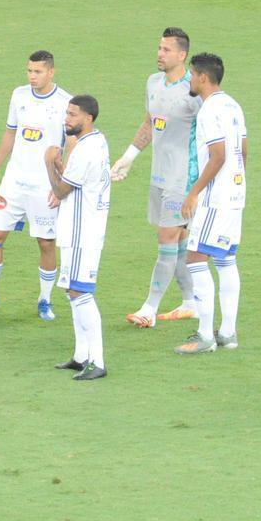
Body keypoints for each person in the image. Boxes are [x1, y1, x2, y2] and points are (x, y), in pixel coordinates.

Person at [0, 51, 72, 321]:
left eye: (37, 71)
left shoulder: (65, 102)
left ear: (51, 72)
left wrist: (60, 186)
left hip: (44, 185)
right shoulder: (19, 95)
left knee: (46, 243)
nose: (32, 76)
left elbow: (70, 145)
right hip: (13, 182)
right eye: (29, 71)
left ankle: (45, 301)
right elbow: (10, 132)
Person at [111, 27, 200, 327]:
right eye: (159, 48)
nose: (159, 54)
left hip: (183, 179)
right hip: (159, 176)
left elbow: (213, 134)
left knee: (167, 239)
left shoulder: (195, 90)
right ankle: (191, 301)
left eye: (165, 49)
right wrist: (128, 158)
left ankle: (149, 309)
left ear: (181, 55)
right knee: (179, 243)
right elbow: (150, 123)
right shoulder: (153, 82)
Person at [175, 53, 247, 355]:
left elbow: (218, 155)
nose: (190, 79)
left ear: (203, 77)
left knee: (195, 259)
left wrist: (194, 193)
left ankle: (205, 336)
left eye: (192, 74)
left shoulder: (208, 111)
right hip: (235, 194)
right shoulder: (233, 104)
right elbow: (242, 149)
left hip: (215, 199)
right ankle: (227, 333)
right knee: (226, 260)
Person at [44, 96, 110, 381]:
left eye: (72, 115)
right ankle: (81, 354)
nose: (66, 119)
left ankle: (98, 361)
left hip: (84, 233)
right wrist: (60, 166)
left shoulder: (86, 150)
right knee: (73, 292)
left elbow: (60, 192)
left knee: (81, 293)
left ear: (88, 118)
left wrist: (49, 164)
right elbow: (72, 181)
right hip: (78, 230)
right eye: (66, 114)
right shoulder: (95, 142)